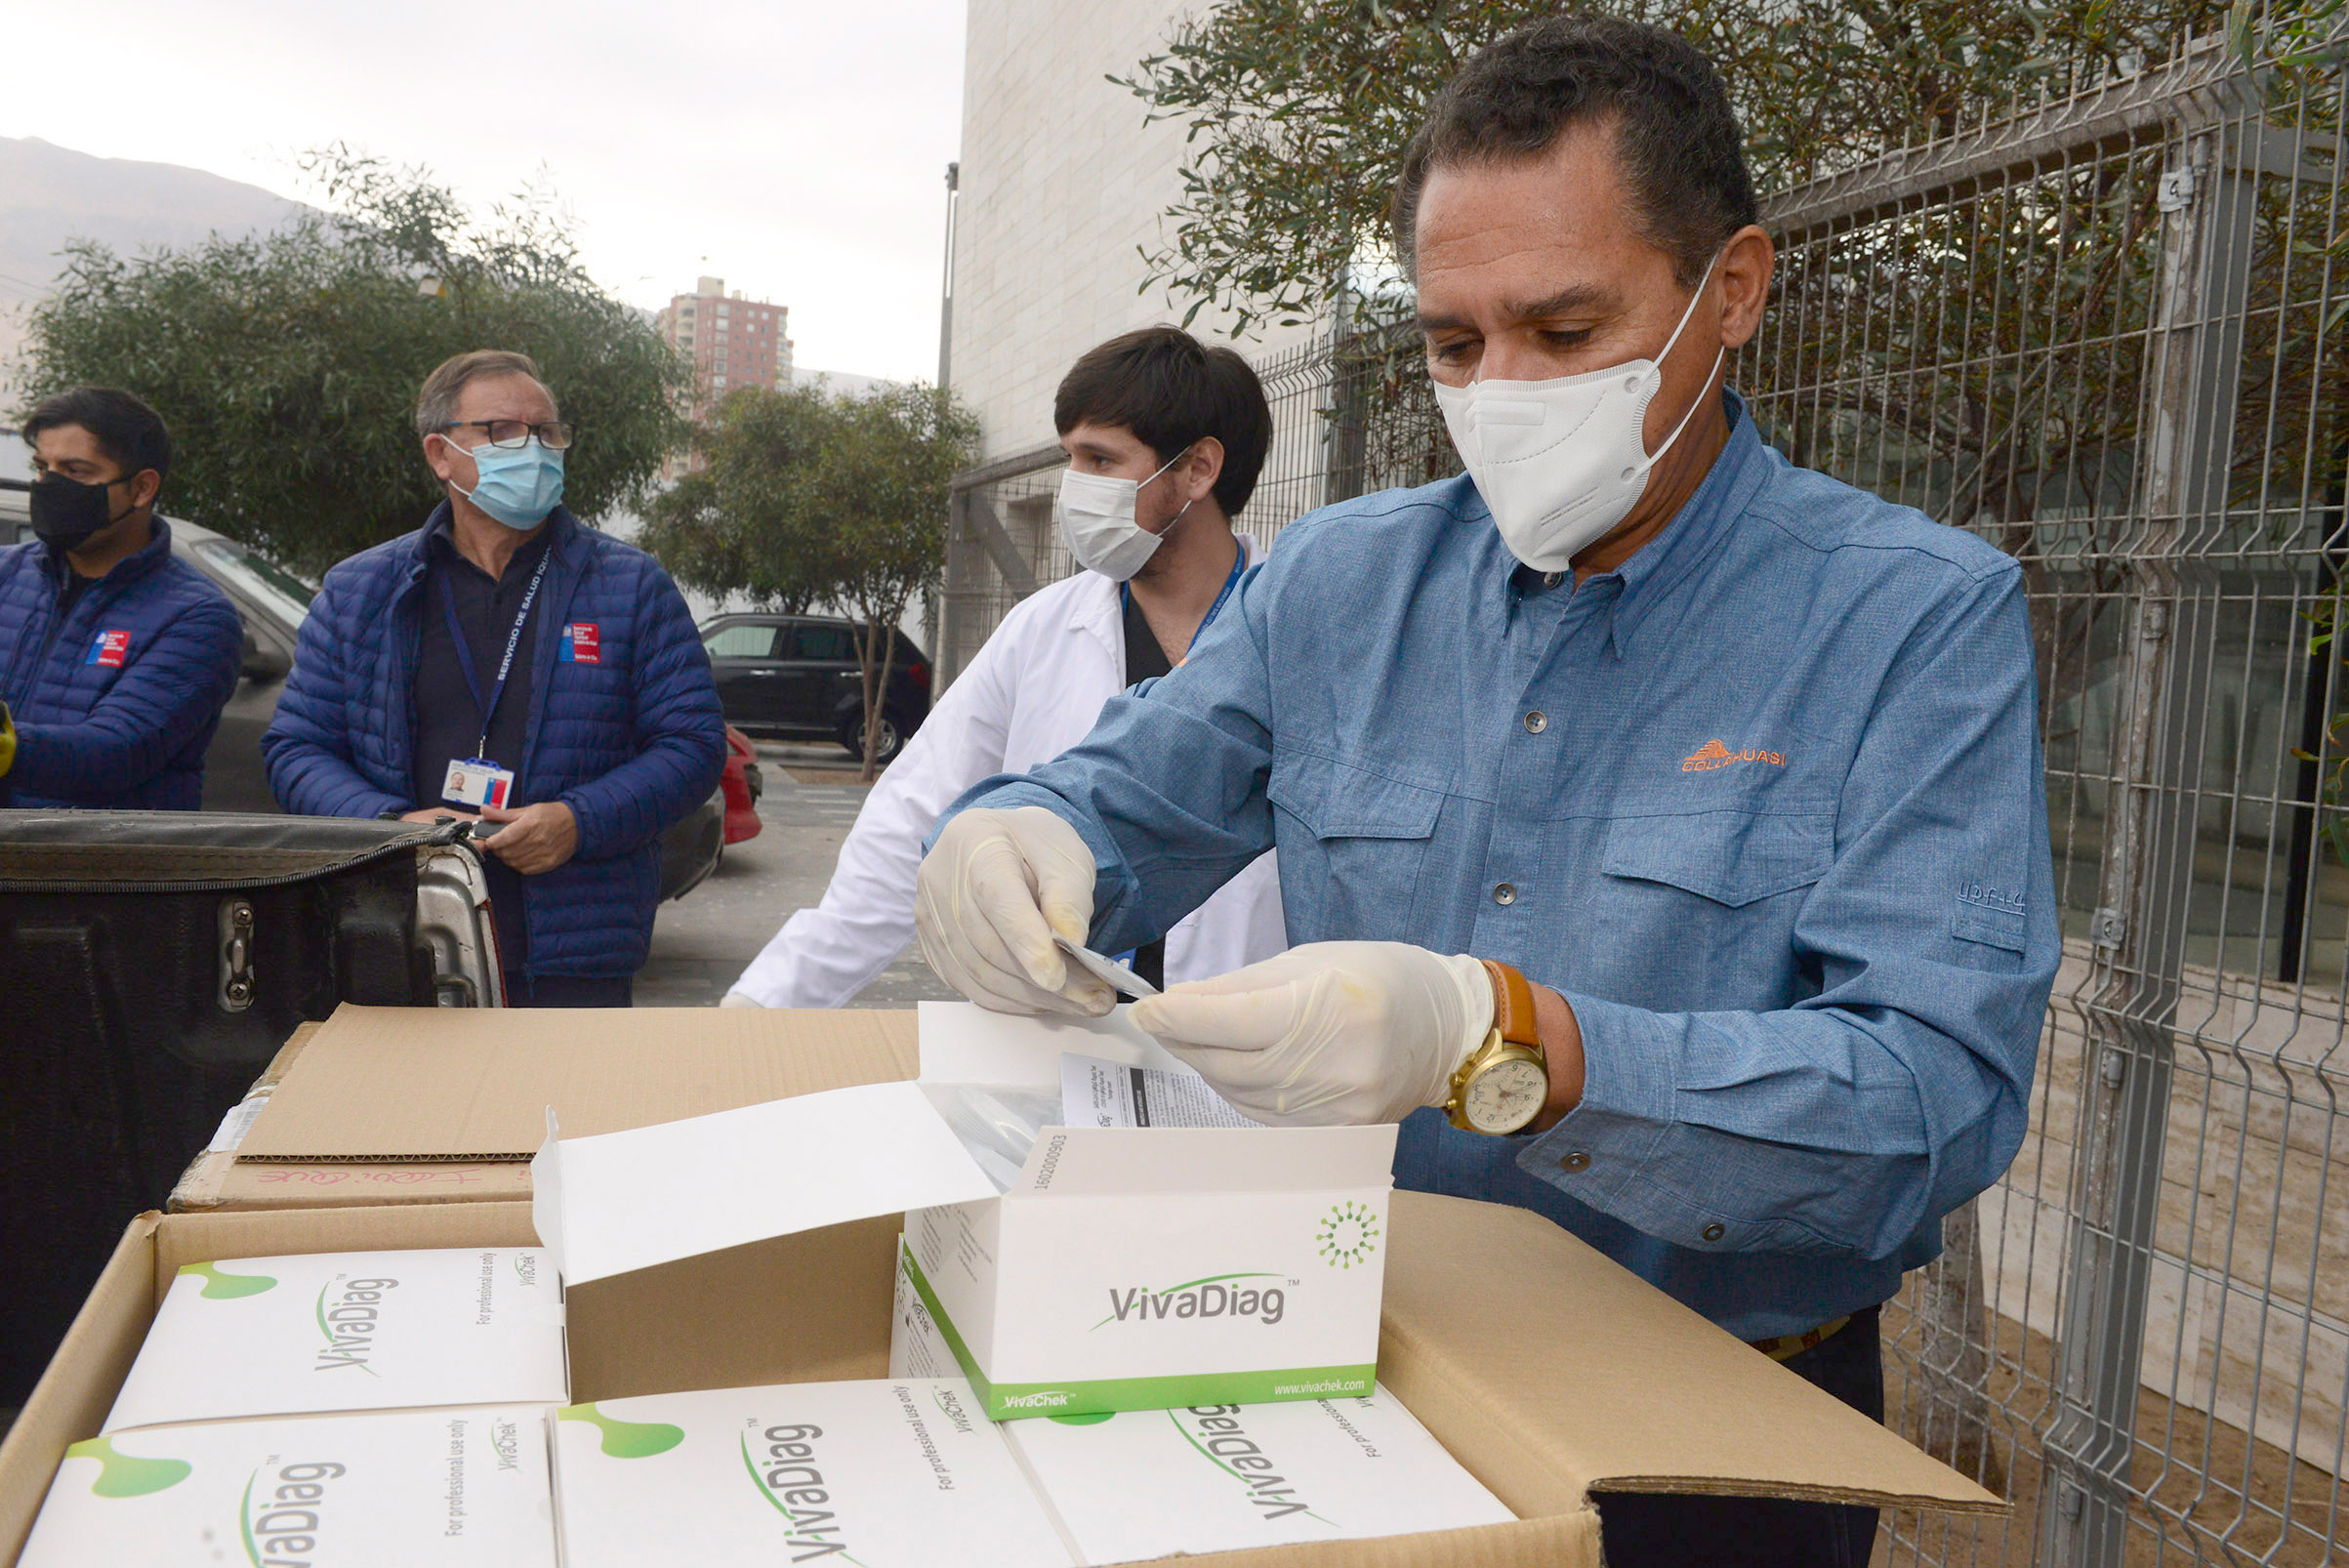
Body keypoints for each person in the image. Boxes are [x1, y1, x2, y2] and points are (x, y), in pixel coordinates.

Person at [911, 18, 2058, 1566]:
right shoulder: (1334, 582)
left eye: (1564, 330)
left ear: (1730, 291)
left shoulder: (1910, 620)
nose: (1499, 388)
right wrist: (1021, 836)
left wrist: (1508, 1042)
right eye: (1453, 344)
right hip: (1343, 1374)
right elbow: (1133, 795)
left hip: (1710, 1432)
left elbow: (1932, 1096)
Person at [723, 326, 1285, 1009]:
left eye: (1101, 461)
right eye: (1070, 459)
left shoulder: (1300, 635)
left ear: (1197, 470)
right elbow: (911, 819)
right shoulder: (1044, 630)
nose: (1075, 487)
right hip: (1059, 1035)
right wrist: (772, 1001)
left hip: (1246, 1046)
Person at [263, 350, 725, 1008]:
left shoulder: (630, 585)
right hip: (399, 935)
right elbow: (297, 749)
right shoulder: (361, 589)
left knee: (563, 1112)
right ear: (441, 454)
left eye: (546, 432)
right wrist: (390, 829)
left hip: (572, 944)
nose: (532, 449)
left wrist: (578, 820)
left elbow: (692, 745)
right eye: (502, 431)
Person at [0, 388, 242, 809]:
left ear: (142, 488)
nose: (49, 486)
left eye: (75, 471)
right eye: (43, 468)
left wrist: (7, 748)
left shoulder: (197, 617)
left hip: (101, 866)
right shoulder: (5, 574)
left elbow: (119, 751)